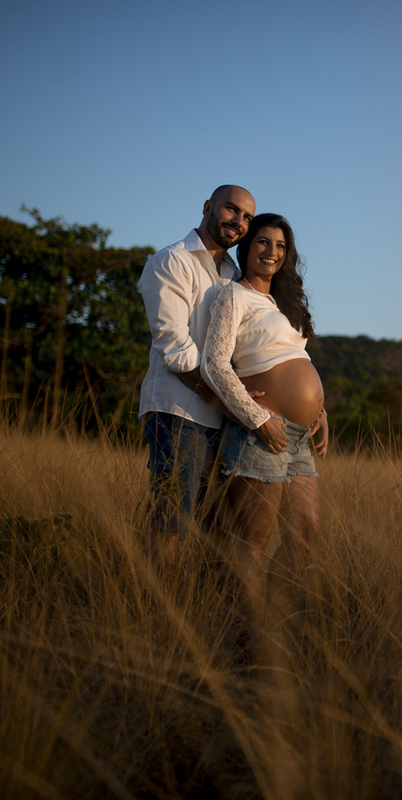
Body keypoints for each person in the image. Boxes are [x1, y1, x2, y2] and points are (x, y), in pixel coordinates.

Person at [201, 213, 329, 601]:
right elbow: (214, 363)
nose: (271, 251)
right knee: (253, 536)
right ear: (246, 247)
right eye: (262, 241)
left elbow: (294, 358)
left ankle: (273, 620)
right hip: (261, 432)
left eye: (280, 245)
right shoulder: (234, 295)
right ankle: (244, 627)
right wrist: (258, 420)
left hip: (299, 437)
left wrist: (319, 411)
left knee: (305, 530)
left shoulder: (282, 304)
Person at [138, 185, 257, 569]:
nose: (239, 222)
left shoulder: (235, 275)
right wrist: (228, 401)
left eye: (247, 217)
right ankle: (155, 600)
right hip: (179, 410)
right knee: (171, 520)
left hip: (224, 419)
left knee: (215, 526)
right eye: (231, 209)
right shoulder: (172, 261)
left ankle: (194, 600)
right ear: (208, 207)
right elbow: (175, 347)